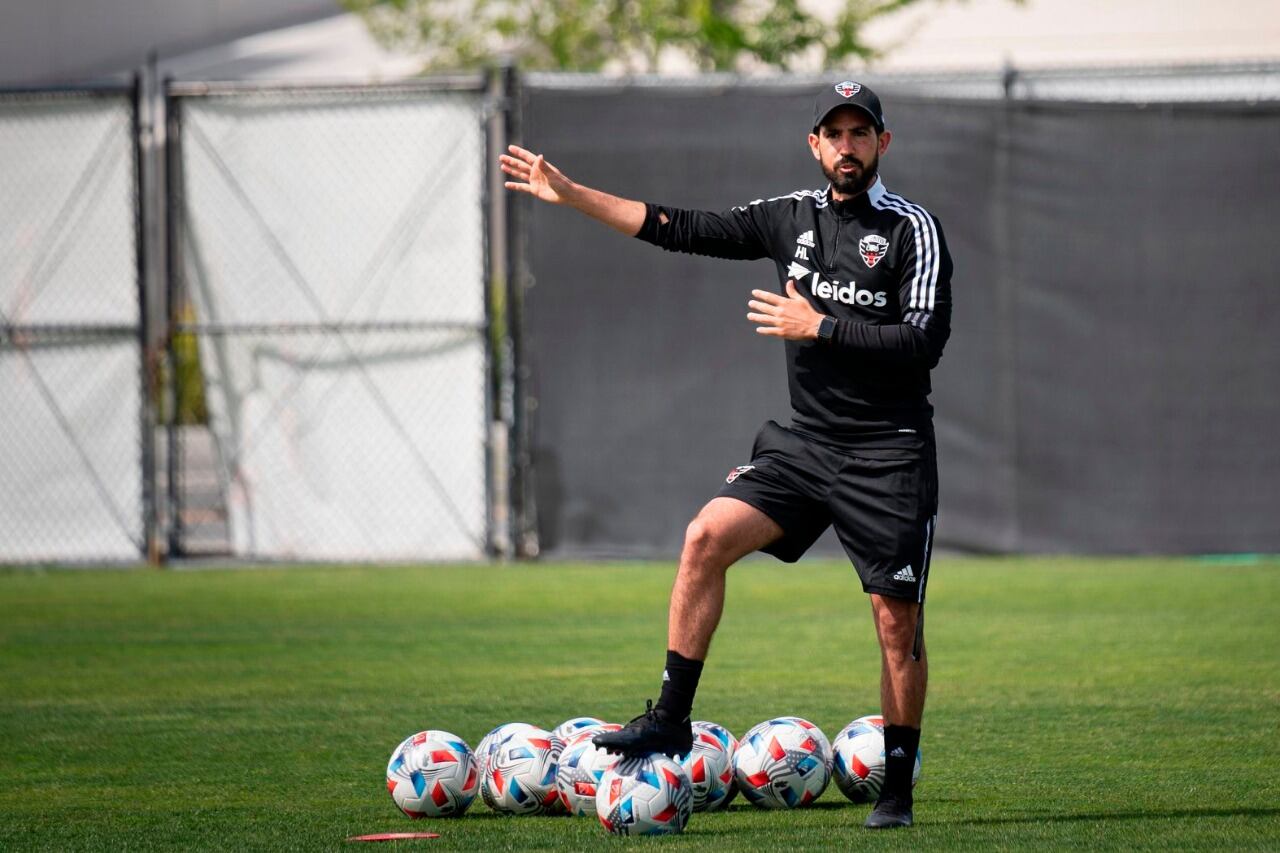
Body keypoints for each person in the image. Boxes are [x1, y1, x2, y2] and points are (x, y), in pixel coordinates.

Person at [500, 81, 952, 830]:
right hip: (806, 447)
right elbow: (681, 227)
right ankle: (671, 717)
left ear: (882, 143)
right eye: (833, 133)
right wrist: (573, 193)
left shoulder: (913, 230)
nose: (847, 144)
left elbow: (924, 341)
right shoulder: (789, 219)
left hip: (887, 453)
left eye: (860, 132)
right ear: (814, 144)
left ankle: (896, 789)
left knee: (896, 623)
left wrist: (822, 326)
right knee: (705, 536)